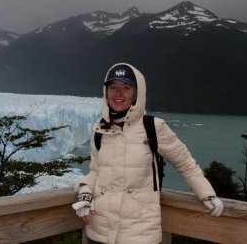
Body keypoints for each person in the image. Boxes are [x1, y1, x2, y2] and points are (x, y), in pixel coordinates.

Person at [72, 63, 223, 244]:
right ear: (106, 92)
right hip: (98, 233)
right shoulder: (99, 129)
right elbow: (95, 171)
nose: (118, 93)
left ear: (137, 93)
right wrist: (85, 189)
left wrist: (207, 194)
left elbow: (185, 163)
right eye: (113, 87)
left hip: (140, 235)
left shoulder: (153, 127)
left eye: (125, 87)